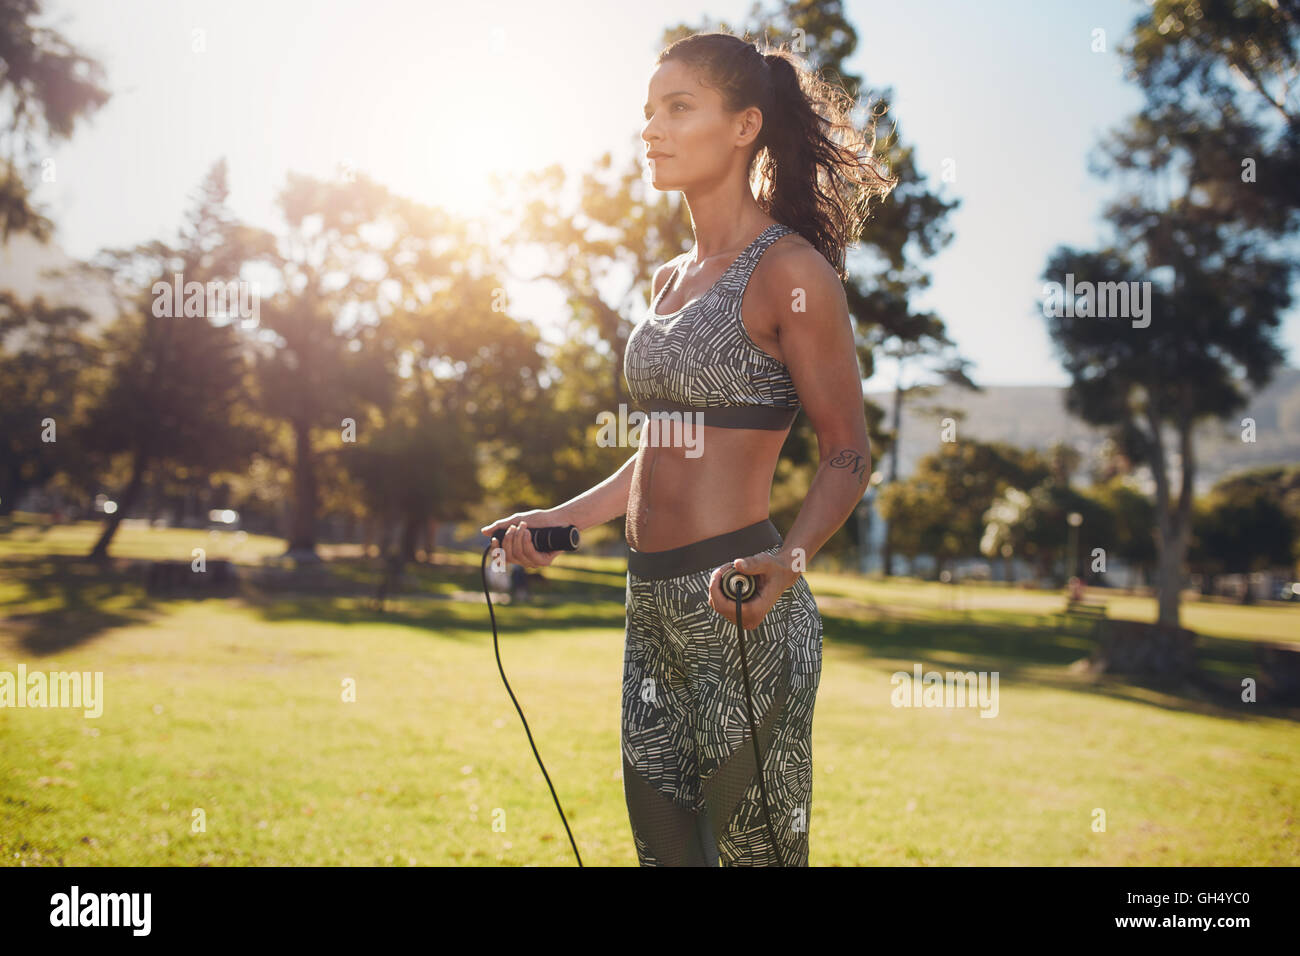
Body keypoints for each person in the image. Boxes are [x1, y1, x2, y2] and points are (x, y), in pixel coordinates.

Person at [482, 32, 896, 866]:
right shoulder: (668, 280)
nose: (652, 130)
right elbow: (664, 450)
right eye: (648, 113)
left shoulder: (791, 272)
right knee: (664, 857)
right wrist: (559, 520)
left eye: (679, 109)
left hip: (741, 608)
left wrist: (790, 561)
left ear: (744, 126)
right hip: (650, 617)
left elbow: (849, 452)